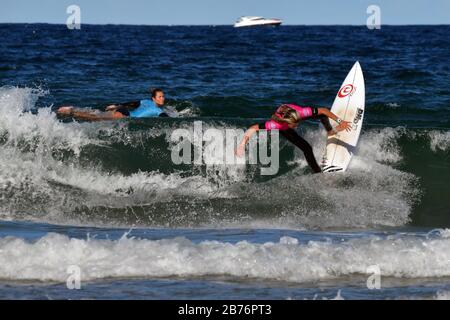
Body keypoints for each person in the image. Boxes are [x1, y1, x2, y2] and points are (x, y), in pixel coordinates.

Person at [235, 104, 352, 173]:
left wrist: (340, 121)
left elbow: (323, 110)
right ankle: (318, 173)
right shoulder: (276, 125)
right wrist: (241, 145)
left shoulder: (301, 113)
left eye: (297, 122)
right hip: (284, 125)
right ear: (288, 123)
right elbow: (253, 128)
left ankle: (330, 131)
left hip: (293, 113)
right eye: (295, 124)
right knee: (306, 148)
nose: (297, 125)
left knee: (321, 115)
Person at [56, 88, 169, 121]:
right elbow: (166, 119)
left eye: (163, 96)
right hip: (126, 115)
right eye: (160, 96)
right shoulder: (158, 110)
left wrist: (116, 105)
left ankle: (72, 109)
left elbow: (131, 103)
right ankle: (71, 112)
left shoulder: (145, 101)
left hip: (123, 110)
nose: (162, 98)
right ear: (153, 98)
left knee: (99, 115)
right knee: (97, 118)